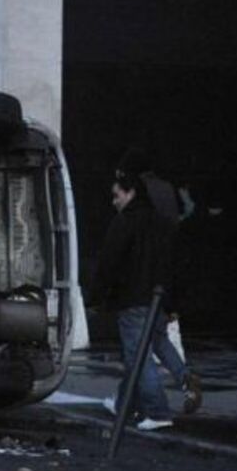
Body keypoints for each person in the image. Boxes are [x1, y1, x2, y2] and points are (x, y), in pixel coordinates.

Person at [117, 149, 203, 414]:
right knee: (156, 337)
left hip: (143, 279)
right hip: (167, 275)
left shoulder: (137, 194)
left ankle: (149, 407)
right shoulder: (167, 191)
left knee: (137, 345)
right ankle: (182, 376)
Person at [92, 173, 176, 431]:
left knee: (138, 359)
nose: (114, 201)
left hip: (132, 299)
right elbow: (170, 264)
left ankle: (158, 410)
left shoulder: (125, 223)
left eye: (117, 195)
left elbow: (109, 263)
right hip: (156, 298)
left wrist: (97, 298)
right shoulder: (159, 224)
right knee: (141, 354)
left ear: (131, 193)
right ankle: (126, 404)